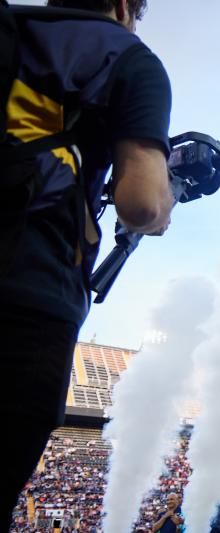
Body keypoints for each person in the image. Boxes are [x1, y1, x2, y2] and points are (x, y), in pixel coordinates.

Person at [0, 1, 173, 528]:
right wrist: (164, 202)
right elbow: (142, 203)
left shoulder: (16, 26)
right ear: (125, 7)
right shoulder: (128, 56)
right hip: (28, 292)